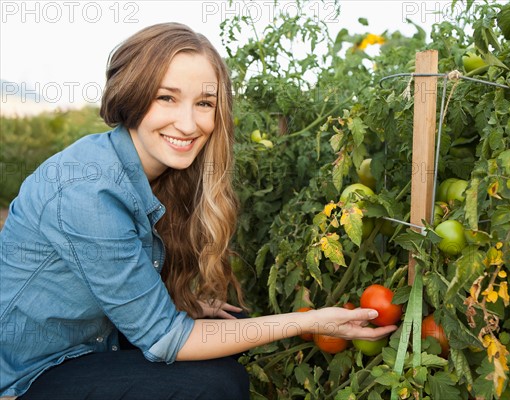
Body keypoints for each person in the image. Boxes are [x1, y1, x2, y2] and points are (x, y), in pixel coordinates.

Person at [0, 22, 397, 400]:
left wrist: (177, 306)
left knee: (233, 326)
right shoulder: (89, 192)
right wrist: (311, 320)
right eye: (166, 97)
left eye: (204, 103)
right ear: (133, 94)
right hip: (28, 374)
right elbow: (164, 339)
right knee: (213, 386)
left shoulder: (148, 170)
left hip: (86, 342)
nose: (188, 124)